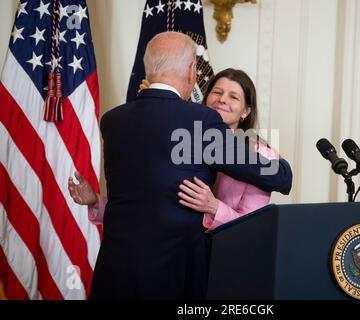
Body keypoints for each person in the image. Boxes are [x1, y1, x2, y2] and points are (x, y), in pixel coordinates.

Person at [74, 31, 292, 300]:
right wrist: (281, 165)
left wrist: (96, 201)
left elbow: (143, 196)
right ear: (192, 71)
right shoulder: (199, 121)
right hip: (173, 276)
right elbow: (280, 177)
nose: (223, 100)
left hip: (116, 272)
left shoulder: (113, 120)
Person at [70, 69, 279, 231]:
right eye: (217, 92)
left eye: (234, 97)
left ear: (246, 111)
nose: (222, 99)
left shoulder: (261, 156)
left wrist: (214, 207)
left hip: (225, 263)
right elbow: (152, 205)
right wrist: (96, 202)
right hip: (178, 260)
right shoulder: (184, 142)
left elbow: (255, 226)